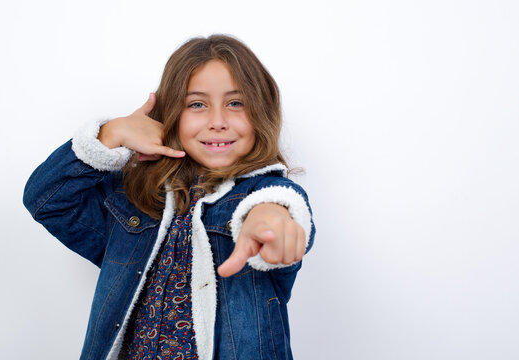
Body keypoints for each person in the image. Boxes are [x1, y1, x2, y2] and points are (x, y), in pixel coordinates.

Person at [23, 34, 315, 360]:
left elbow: (278, 208)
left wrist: (270, 221)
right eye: (197, 105)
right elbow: (46, 199)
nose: (218, 122)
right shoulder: (131, 200)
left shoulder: (266, 195)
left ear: (260, 111)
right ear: (171, 114)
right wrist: (111, 134)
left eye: (236, 103)